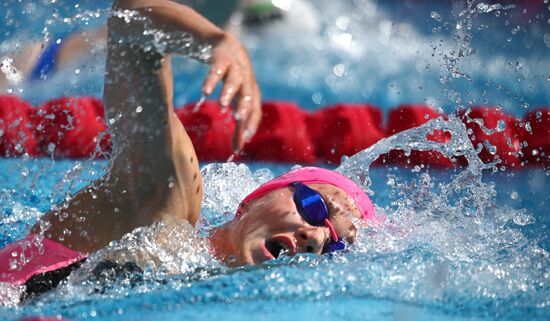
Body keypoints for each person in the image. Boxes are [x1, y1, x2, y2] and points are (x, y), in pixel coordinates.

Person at [0, 0, 378, 299]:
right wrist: (216, 41)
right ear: (252, 200)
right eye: (316, 208)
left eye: (334, 245)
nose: (317, 238)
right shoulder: (165, 206)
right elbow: (130, 19)